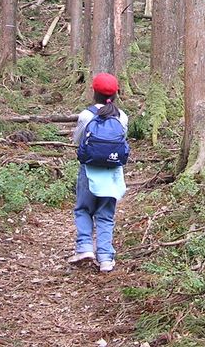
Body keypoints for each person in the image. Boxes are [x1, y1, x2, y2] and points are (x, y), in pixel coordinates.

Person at [68, 73, 128, 272]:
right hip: (112, 172)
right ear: (116, 94)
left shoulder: (86, 115)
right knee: (106, 215)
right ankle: (105, 258)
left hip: (89, 169)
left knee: (83, 209)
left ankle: (84, 247)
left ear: (94, 92)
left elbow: (78, 140)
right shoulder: (122, 116)